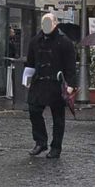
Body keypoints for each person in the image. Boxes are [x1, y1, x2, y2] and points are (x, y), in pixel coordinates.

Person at [24, 13, 77, 159]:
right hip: (39, 82)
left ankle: (56, 147)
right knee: (34, 110)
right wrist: (27, 78)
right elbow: (30, 62)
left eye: (48, 22)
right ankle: (40, 142)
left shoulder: (65, 42)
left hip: (56, 84)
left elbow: (71, 66)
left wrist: (70, 85)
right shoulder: (35, 41)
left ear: (55, 23)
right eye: (43, 23)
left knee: (58, 117)